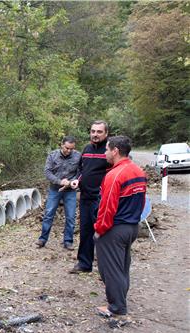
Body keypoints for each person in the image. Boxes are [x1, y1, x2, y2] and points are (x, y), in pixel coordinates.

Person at [94, 136, 146, 317]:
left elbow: (107, 206)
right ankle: (120, 300)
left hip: (115, 229)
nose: (105, 153)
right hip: (132, 227)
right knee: (122, 267)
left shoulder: (114, 175)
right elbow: (142, 201)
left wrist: (100, 230)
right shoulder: (138, 170)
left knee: (111, 270)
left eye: (107, 149)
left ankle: (116, 307)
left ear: (115, 151)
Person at [69, 120, 110, 273]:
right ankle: (84, 264)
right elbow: (81, 169)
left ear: (106, 134)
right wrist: (76, 181)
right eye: (93, 131)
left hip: (101, 198)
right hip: (86, 197)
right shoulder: (86, 149)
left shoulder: (109, 150)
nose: (95, 135)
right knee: (85, 231)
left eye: (99, 132)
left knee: (104, 233)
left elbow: (113, 173)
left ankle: (106, 268)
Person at [36, 136, 81, 250]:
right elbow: (47, 171)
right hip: (55, 189)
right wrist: (60, 181)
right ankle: (42, 239)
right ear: (61, 145)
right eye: (67, 148)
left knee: (70, 216)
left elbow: (80, 172)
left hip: (70, 190)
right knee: (49, 214)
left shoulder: (78, 156)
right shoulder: (52, 155)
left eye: (71, 149)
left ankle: (68, 241)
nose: (69, 151)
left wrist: (71, 182)